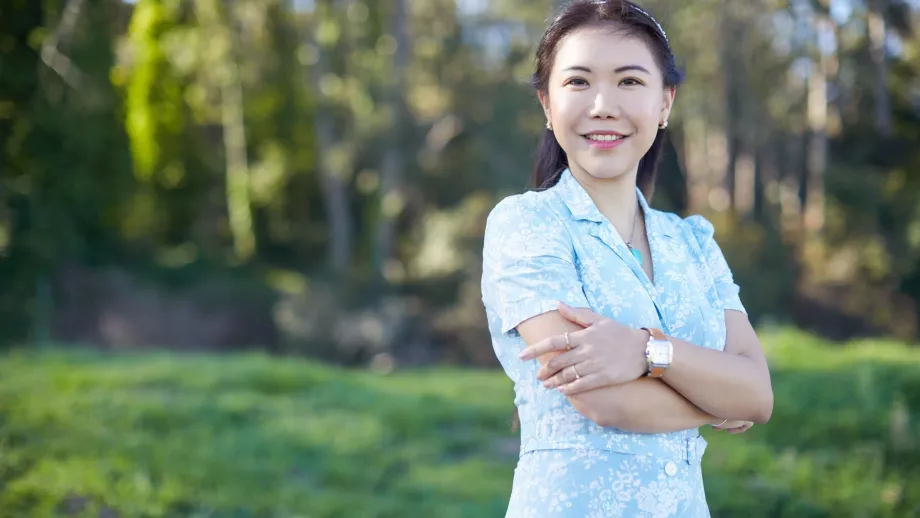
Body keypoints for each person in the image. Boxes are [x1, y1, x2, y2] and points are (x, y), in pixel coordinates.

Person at [479, 1, 775, 516]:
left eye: (629, 81)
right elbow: (604, 402)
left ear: (665, 102)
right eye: (577, 82)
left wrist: (645, 353)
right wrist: (716, 394)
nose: (602, 105)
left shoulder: (694, 243)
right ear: (547, 105)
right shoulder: (527, 226)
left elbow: (757, 394)